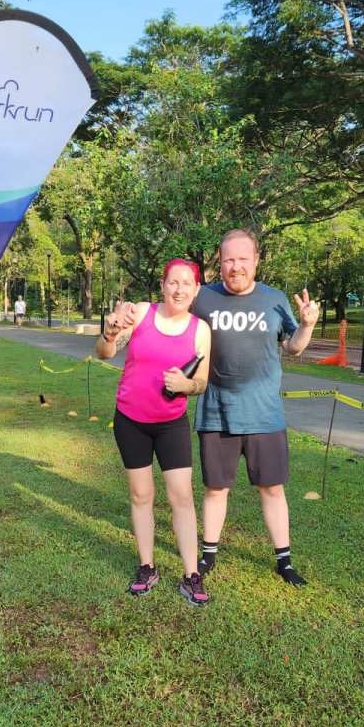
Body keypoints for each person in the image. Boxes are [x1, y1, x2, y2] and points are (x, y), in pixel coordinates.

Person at [190, 228, 319, 587]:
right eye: (229, 259)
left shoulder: (274, 298)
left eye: (243, 259)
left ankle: (284, 562)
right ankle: (208, 555)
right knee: (216, 489)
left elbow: (293, 347)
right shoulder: (203, 298)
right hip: (216, 411)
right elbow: (174, 325)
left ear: (256, 260)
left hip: (264, 413)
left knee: (272, 488)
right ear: (220, 262)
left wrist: (307, 325)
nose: (236, 266)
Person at [96, 259, 212, 605]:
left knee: (182, 497)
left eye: (186, 283)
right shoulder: (142, 313)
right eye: (173, 282)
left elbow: (202, 382)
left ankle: (191, 574)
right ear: (162, 285)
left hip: (171, 424)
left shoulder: (200, 330)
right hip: (130, 420)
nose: (179, 289)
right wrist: (109, 333)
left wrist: (187, 385)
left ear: (196, 289)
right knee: (141, 495)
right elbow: (104, 353)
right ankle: (147, 566)